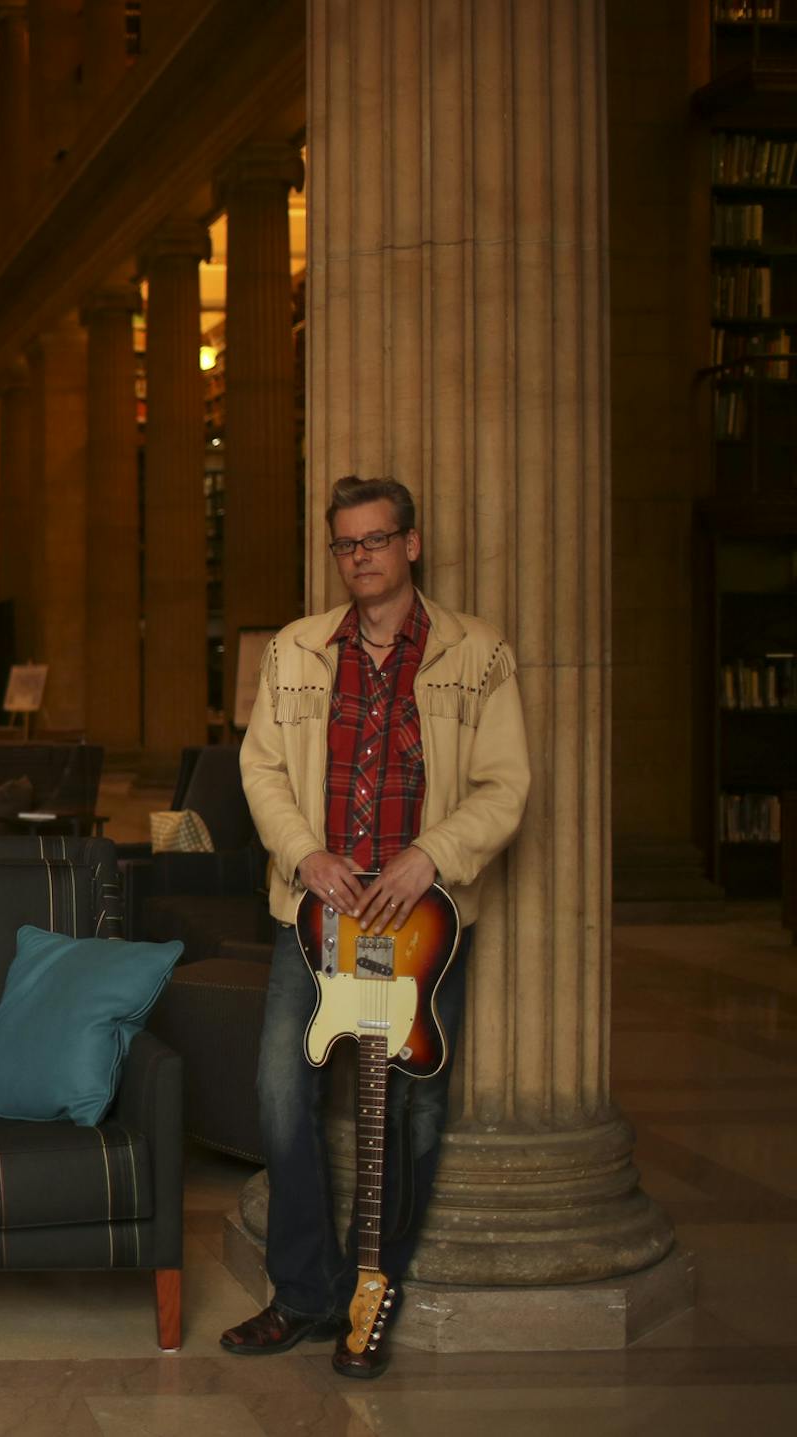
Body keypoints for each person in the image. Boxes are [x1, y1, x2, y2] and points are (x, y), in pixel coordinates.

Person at [225, 475, 530, 1379]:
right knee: (284, 1092)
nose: (360, 557)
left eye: (375, 540)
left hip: (422, 922)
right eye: (345, 544)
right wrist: (302, 854)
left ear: (411, 544)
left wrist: (430, 853)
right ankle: (306, 1292)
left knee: (412, 1106)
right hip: (314, 915)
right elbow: (262, 770)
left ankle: (373, 1289)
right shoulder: (295, 650)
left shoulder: (479, 653)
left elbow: (505, 784)